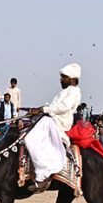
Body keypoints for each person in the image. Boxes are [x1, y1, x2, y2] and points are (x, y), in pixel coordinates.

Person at [24, 63, 82, 193]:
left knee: (30, 139)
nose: (61, 80)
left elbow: (62, 108)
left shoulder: (74, 91)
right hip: (52, 120)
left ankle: (42, 177)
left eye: (64, 77)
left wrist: (42, 109)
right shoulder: (65, 92)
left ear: (72, 79)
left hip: (58, 124)